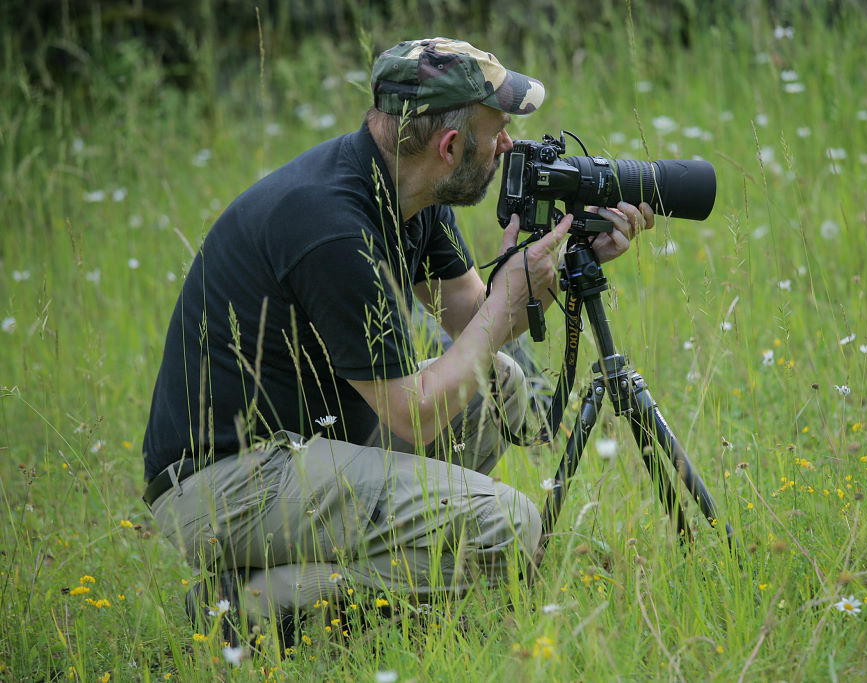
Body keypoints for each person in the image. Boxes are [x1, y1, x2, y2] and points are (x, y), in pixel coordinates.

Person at [141, 36, 654, 648]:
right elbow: (411, 414)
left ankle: (285, 582)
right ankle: (248, 609)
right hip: (227, 478)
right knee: (508, 525)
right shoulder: (333, 226)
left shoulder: (409, 192)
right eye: (499, 132)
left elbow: (474, 319)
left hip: (309, 446)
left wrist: (563, 257)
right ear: (450, 146)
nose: (508, 147)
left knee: (495, 385)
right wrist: (504, 302)